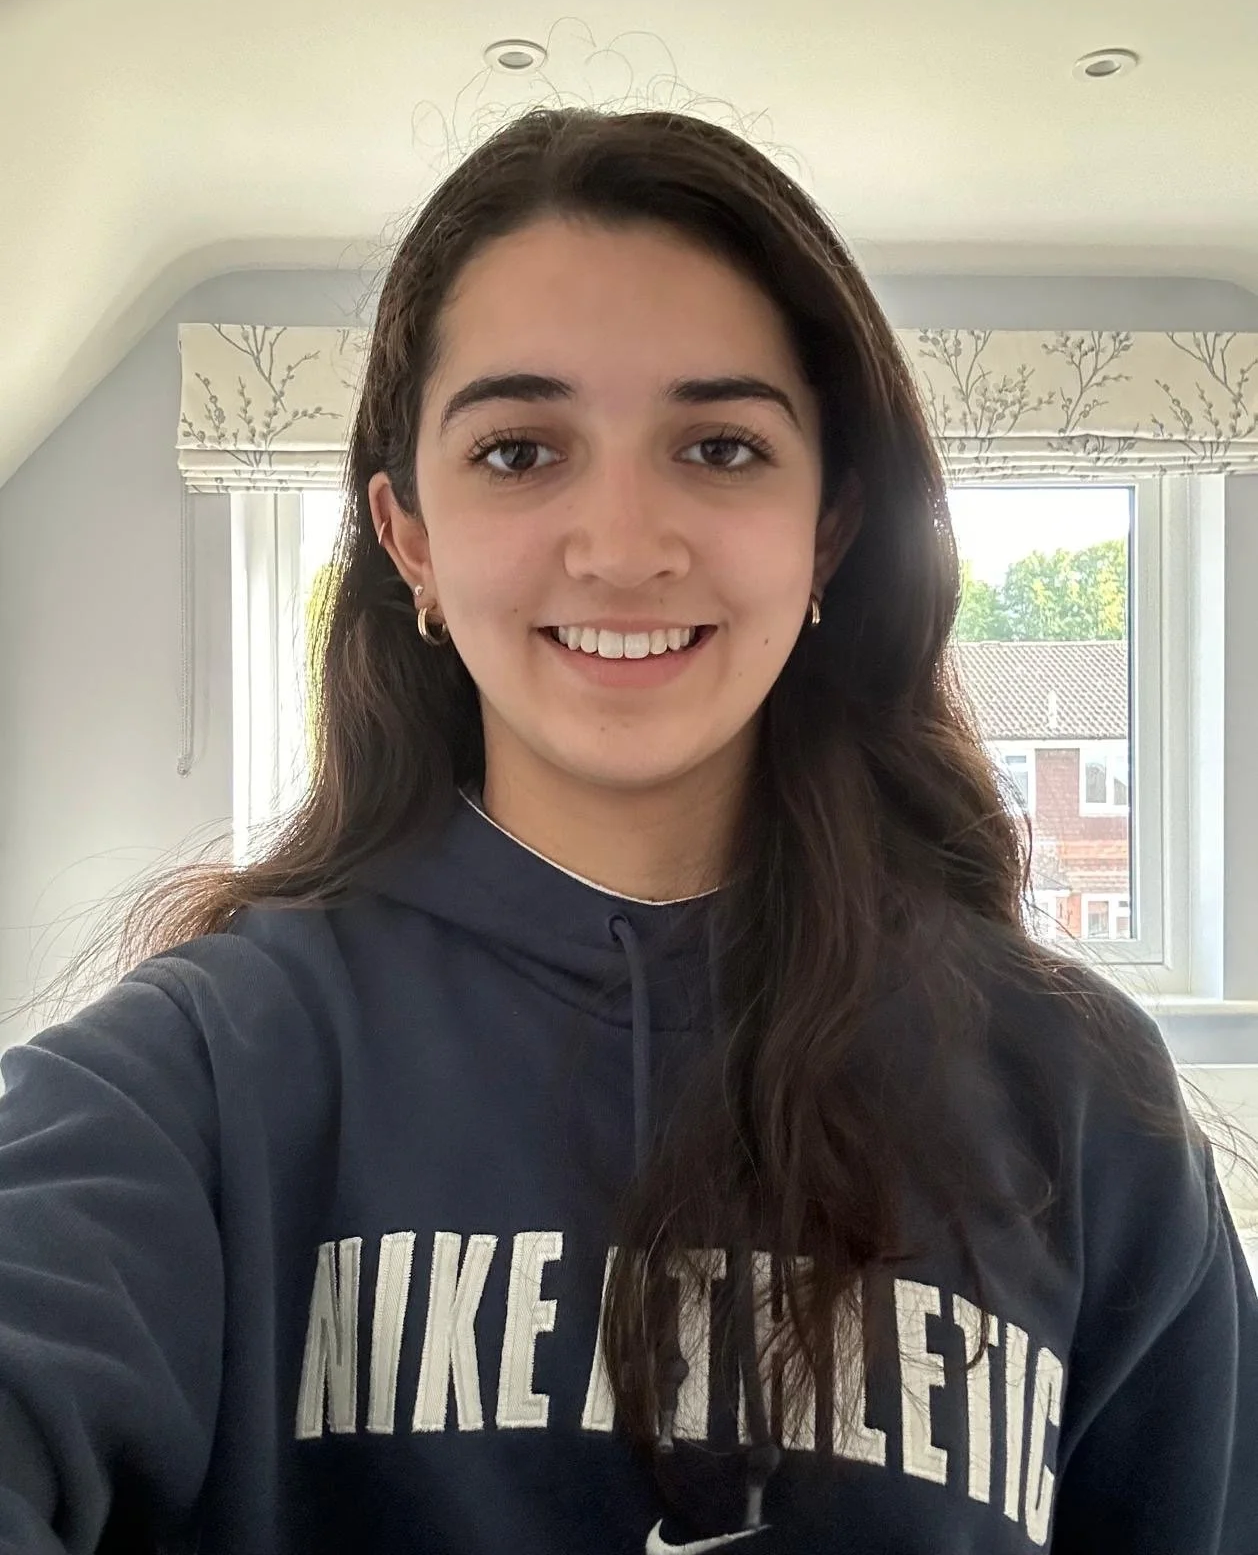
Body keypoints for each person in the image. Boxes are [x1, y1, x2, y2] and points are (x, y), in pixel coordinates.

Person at [0, 106, 1254, 1555]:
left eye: (719, 447)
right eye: (519, 452)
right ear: (410, 539)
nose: (622, 546)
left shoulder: (1078, 1098)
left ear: (828, 529)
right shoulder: (207, 1075)